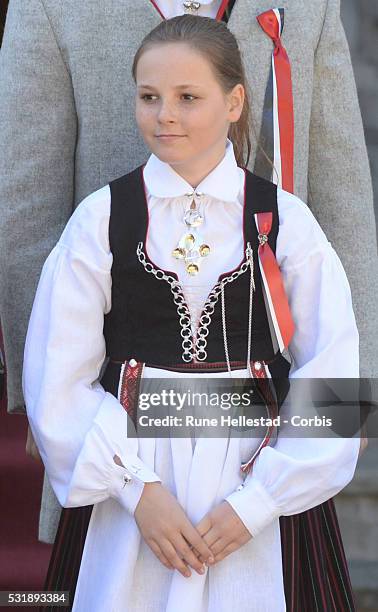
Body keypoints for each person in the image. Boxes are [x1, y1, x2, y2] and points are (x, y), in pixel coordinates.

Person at [23, 15, 361, 612]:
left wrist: (258, 502)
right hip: (134, 487)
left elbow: (334, 372)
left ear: (234, 103)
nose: (165, 115)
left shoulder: (287, 223)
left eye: (187, 97)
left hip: (255, 481)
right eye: (149, 97)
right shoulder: (100, 220)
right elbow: (57, 372)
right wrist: (137, 491)